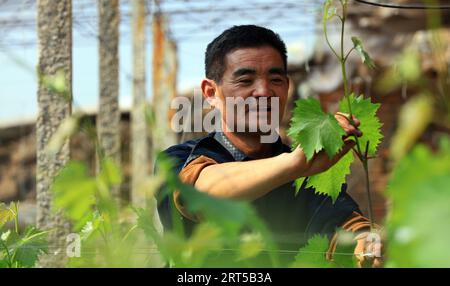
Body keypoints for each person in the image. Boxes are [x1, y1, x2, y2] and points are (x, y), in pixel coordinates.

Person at [156, 25, 382, 267]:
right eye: (245, 80)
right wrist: (296, 164)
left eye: (275, 80)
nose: (264, 92)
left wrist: (367, 243)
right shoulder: (176, 159)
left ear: (287, 87)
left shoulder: (309, 170)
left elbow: (346, 225)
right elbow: (198, 193)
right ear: (211, 92)